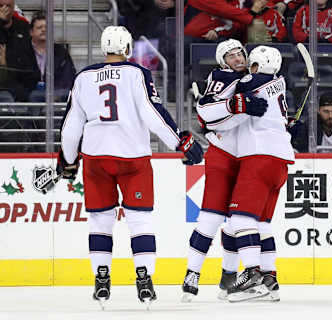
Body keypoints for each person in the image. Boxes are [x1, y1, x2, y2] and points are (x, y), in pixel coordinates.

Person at [57, 26, 203, 307]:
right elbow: (153, 114)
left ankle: (101, 278)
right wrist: (180, 142)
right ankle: (144, 277)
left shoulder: (83, 78)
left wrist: (69, 158)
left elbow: (70, 126)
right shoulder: (137, 73)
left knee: (100, 221)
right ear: (127, 49)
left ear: (104, 48)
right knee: (140, 220)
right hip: (132, 158)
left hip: (96, 158)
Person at [181, 39, 269, 302]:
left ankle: (229, 275)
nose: (237, 59)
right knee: (211, 216)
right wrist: (236, 105)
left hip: (244, 157)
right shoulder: (223, 76)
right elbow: (205, 110)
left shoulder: (251, 79)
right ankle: (191, 274)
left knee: (236, 220)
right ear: (222, 61)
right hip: (222, 154)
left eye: (240, 53)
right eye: (231, 56)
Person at [225, 46, 294, 302]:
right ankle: (269, 278)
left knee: (240, 218)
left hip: (259, 157)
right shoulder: (280, 82)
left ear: (255, 66)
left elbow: (229, 91)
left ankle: (252, 274)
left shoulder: (251, 82)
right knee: (262, 223)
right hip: (280, 161)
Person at [29, 11, 76, 102]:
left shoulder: (61, 51)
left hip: (56, 97)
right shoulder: (23, 51)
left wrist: (55, 93)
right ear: (31, 32)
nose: (43, 30)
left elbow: (68, 77)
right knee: (35, 96)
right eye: (39, 27)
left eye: (46, 28)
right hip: (29, 98)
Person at [0, 0, 40, 102]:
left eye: (8, 6)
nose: (4, 9)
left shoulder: (23, 27)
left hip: (21, 83)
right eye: (1, 6)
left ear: (13, 7)